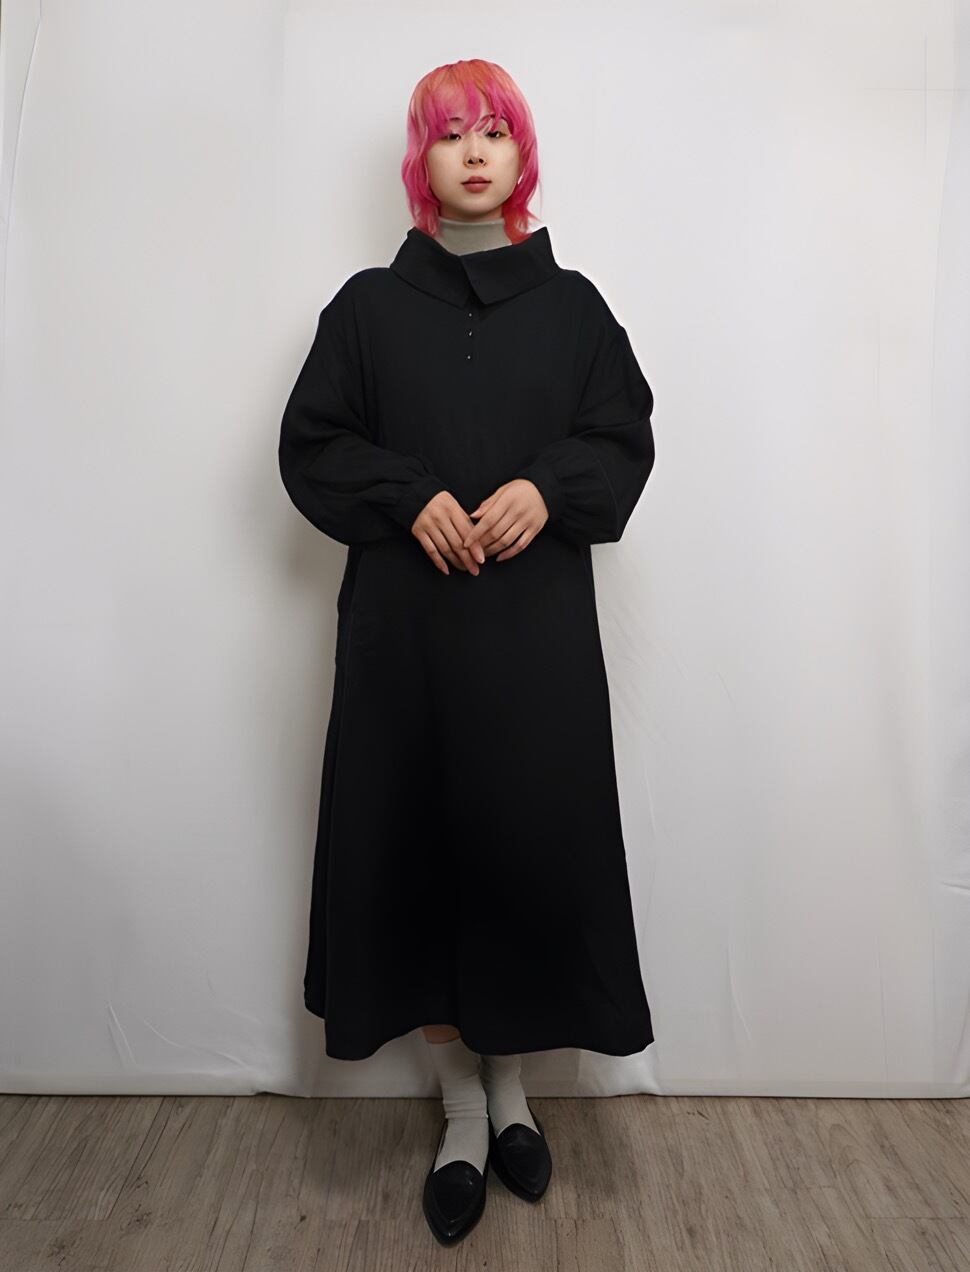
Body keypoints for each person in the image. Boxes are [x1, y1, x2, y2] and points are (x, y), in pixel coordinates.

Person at [278, 58, 657, 1246]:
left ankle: (514, 1100)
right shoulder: (366, 311)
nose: (476, 151)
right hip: (407, 657)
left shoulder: (574, 309)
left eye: (496, 130)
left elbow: (623, 437)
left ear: (521, 154)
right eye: (451, 134)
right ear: (422, 160)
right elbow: (311, 446)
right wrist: (407, 495)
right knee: (425, 861)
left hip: (535, 655)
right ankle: (457, 1112)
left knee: (525, 860)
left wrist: (549, 485)